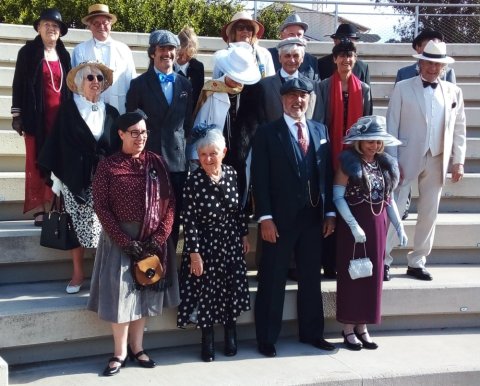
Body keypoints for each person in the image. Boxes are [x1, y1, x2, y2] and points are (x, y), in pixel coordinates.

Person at [89, 110, 180, 376]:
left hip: (151, 238)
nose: (141, 137)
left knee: (144, 294)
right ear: (121, 134)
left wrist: (159, 238)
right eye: (134, 133)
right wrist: (124, 241)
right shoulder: (108, 165)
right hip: (119, 238)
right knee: (121, 296)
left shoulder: (157, 162)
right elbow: (101, 207)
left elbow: (170, 203)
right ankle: (120, 353)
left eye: (144, 132)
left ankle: (138, 347)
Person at [252, 78, 336, 357]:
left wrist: (330, 213)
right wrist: (265, 217)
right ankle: (266, 337)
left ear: (309, 99)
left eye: (302, 96)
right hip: (279, 220)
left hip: (313, 219)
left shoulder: (320, 129)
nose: (297, 101)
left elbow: (325, 174)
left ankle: (313, 334)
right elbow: (260, 179)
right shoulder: (267, 133)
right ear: (282, 99)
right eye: (291, 96)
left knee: (311, 279)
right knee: (273, 279)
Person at [385, 40, 466, 281]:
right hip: (405, 158)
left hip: (438, 158)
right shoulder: (402, 87)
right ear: (420, 63)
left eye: (437, 64)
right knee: (395, 209)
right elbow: (391, 125)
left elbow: (459, 127)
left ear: (443, 67)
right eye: (429, 62)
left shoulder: (454, 92)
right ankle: (383, 259)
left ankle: (417, 261)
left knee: (429, 213)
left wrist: (458, 160)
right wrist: (392, 160)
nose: (432, 68)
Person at [38, 61, 119, 294]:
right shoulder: (67, 110)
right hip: (75, 176)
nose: (95, 82)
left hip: (105, 179)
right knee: (76, 224)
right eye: (90, 78)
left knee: (105, 227)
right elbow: (58, 144)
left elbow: (116, 147)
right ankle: (77, 273)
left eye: (99, 79)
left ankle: (101, 274)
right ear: (79, 82)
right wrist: (60, 178)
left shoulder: (112, 112)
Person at [333, 115, 407, 350]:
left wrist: (398, 224)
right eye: (369, 141)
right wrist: (353, 225)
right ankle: (347, 327)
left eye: (377, 141)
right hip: (353, 225)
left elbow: (389, 199)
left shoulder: (385, 164)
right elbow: (337, 196)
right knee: (353, 276)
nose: (373, 146)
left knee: (372, 277)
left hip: (377, 225)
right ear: (359, 142)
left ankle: (363, 326)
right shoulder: (348, 162)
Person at [177, 129, 250, 362]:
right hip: (205, 244)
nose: (208, 159)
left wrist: (244, 235)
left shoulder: (231, 173)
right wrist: (194, 254)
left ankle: (231, 334)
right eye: (203, 154)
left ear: (224, 153)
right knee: (206, 292)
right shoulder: (193, 181)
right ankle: (207, 340)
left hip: (230, 242)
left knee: (230, 288)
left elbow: (239, 210)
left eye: (213, 153)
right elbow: (189, 220)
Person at [126, 29, 193, 248]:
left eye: (171, 49)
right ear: (152, 53)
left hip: (177, 164)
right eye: (162, 49)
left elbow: (188, 123)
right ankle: (148, 268)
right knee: (149, 216)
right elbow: (132, 123)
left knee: (172, 219)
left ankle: (169, 273)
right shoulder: (138, 85)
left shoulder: (186, 85)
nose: (167, 53)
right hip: (149, 161)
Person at [11, 8, 71, 226]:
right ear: (38, 28)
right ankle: (40, 209)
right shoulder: (27, 52)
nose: (51, 29)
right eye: (46, 24)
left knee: (58, 162)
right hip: (35, 118)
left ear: (60, 32)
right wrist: (17, 114)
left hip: (59, 119)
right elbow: (18, 84)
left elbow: (70, 88)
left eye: (55, 26)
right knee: (35, 163)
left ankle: (56, 205)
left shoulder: (64, 54)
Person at [318, 40, 372, 278]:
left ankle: (347, 260)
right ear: (334, 60)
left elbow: (369, 129)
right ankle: (328, 262)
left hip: (355, 157)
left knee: (352, 207)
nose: (345, 60)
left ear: (355, 59)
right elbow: (319, 123)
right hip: (329, 154)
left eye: (350, 56)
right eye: (341, 56)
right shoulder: (324, 86)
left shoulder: (365, 90)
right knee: (330, 207)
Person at [191, 43, 260, 204]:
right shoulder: (212, 89)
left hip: (241, 153)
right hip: (215, 153)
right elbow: (200, 124)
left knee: (238, 194)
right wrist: (196, 156)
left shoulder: (252, 92)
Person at [72, 3, 136, 114]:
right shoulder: (80, 50)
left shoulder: (124, 49)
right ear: (89, 26)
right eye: (96, 23)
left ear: (110, 24)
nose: (101, 26)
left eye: (105, 23)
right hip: (90, 111)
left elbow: (132, 82)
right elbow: (77, 85)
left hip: (120, 109)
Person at [213, 11, 275, 79]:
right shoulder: (222, 56)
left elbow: (270, 83)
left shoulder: (264, 54)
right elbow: (215, 83)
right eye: (240, 27)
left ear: (253, 33)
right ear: (233, 32)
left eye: (249, 28)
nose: (245, 31)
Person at [268, 14, 319, 81]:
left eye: (299, 34)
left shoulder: (311, 60)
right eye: (291, 34)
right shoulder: (268, 55)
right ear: (282, 35)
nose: (295, 38)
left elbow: (316, 86)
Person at [175, 26, 205, 108]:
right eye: (180, 55)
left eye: (188, 55)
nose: (184, 58)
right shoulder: (167, 64)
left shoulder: (198, 67)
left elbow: (198, 96)